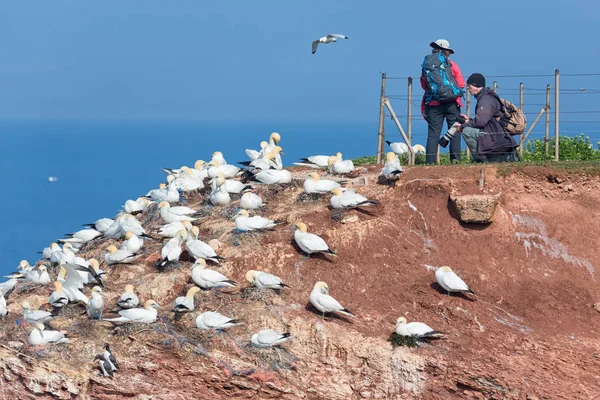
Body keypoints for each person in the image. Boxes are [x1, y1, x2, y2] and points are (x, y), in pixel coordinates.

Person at [420, 39, 465, 164]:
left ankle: (430, 162)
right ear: (447, 52)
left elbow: (424, 84)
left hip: (434, 104)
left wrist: (437, 92)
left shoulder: (427, 66)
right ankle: (455, 161)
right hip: (452, 103)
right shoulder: (452, 66)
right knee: (455, 131)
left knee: (433, 134)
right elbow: (461, 83)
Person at [458, 73, 519, 162]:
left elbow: (481, 122)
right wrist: (469, 120)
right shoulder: (486, 97)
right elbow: (485, 120)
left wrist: (462, 126)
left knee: (467, 131)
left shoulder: (485, 100)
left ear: (476, 85)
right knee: (469, 129)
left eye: (469, 85)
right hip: (495, 134)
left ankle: (481, 160)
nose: (467, 88)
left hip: (495, 137)